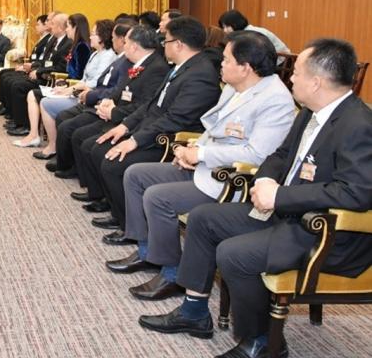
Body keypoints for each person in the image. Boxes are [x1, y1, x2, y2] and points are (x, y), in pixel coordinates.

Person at [139, 38, 372, 358]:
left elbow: (355, 194)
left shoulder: (359, 125)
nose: (290, 77)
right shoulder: (312, 112)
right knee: (204, 219)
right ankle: (194, 311)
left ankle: (260, 341)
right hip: (290, 214)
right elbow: (279, 155)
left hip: (327, 234)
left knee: (235, 254)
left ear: (317, 82)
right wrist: (264, 181)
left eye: (297, 72)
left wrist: (280, 197)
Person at [109, 32, 295, 301]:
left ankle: (172, 274)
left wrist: (202, 154)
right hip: (206, 167)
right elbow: (213, 129)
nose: (220, 63)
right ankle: (146, 251)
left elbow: (257, 155)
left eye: (226, 60)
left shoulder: (274, 99)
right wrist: (191, 150)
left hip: (231, 180)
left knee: (158, 197)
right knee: (136, 175)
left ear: (245, 67)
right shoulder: (234, 86)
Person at [76, 16, 222, 231]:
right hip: (152, 129)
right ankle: (119, 213)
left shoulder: (201, 74)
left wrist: (134, 140)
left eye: (166, 40)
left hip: (169, 141)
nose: (163, 45)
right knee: (100, 147)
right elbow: (151, 104)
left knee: (112, 161)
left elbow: (175, 119)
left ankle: (130, 225)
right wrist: (125, 126)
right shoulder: (180, 67)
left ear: (178, 44)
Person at [53, 25, 167, 185]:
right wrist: (109, 101)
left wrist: (114, 112)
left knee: (87, 142)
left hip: (131, 121)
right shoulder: (138, 63)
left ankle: (96, 191)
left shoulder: (156, 68)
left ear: (134, 46)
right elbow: (121, 90)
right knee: (79, 134)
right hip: (118, 112)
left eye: (126, 42)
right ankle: (91, 187)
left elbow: (145, 105)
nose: (123, 46)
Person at [20, 19, 118, 153]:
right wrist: (66, 87)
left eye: (94, 34)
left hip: (88, 96)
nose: (90, 37)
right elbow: (83, 78)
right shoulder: (95, 54)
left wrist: (71, 88)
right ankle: (50, 143)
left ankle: (53, 145)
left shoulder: (108, 56)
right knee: (42, 97)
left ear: (102, 36)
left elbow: (95, 82)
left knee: (45, 103)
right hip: (79, 91)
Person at [11, 14, 96, 146]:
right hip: (67, 85)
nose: (66, 29)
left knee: (33, 94)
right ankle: (34, 135)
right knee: (32, 94)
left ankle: (37, 137)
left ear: (76, 28)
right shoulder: (76, 45)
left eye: (68, 26)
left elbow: (79, 76)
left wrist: (66, 85)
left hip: (75, 91)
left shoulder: (82, 47)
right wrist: (63, 82)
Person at [5, 13, 73, 136]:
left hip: (51, 79)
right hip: (44, 73)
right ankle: (17, 120)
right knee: (13, 80)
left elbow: (61, 68)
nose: (49, 25)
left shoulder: (67, 43)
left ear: (60, 28)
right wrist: (35, 68)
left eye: (52, 23)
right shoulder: (54, 40)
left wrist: (38, 71)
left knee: (18, 85)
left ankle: (25, 125)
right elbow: (45, 61)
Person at [0, 13, 52, 115]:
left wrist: (29, 67)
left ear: (45, 26)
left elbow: (43, 60)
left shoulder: (48, 40)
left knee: (10, 79)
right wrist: (24, 65)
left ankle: (10, 110)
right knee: (3, 73)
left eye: (38, 24)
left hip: (36, 71)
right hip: (32, 67)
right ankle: (4, 104)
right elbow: (35, 58)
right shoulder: (42, 39)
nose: (36, 27)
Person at [218, 9, 291, 55]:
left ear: (236, 23)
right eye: (223, 27)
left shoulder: (253, 33)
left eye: (227, 26)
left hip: (282, 62)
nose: (225, 30)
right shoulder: (244, 33)